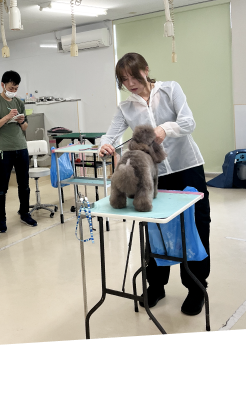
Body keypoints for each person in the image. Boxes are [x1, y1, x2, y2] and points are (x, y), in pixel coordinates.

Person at [101, 53, 212, 315]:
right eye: (123, 79)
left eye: (133, 76)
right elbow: (110, 134)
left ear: (145, 70)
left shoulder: (171, 89)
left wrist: (165, 129)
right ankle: (157, 285)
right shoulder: (125, 108)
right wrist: (104, 144)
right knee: (155, 229)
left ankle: (197, 287)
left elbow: (188, 122)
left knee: (196, 226)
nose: (130, 83)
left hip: (188, 168)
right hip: (153, 175)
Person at [0, 71, 36, 232]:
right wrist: (7, 117)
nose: (13, 91)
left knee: (24, 185)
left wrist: (22, 121)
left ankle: (24, 212)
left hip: (21, 147)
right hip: (4, 150)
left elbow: (25, 126)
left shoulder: (19, 102)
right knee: (2, 186)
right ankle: (1, 219)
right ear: (3, 85)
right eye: (10, 87)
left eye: (15, 88)